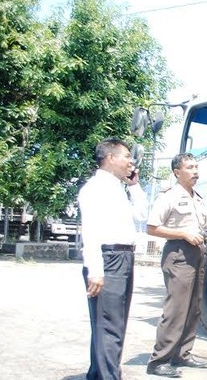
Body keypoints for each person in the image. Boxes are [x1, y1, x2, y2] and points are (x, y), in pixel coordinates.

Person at [145, 153, 207, 378]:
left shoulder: (197, 197)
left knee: (194, 307)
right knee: (176, 309)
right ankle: (159, 361)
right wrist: (182, 233)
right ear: (177, 172)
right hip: (178, 254)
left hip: (198, 254)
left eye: (196, 167)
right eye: (190, 167)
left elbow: (206, 231)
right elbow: (152, 227)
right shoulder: (169, 196)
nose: (196, 171)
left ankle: (182, 354)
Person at [78, 137, 148, 380]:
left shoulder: (118, 187)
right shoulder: (94, 189)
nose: (131, 161)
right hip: (108, 259)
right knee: (110, 327)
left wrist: (134, 186)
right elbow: (90, 231)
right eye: (126, 156)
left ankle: (97, 374)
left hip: (123, 257)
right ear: (110, 158)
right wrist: (96, 270)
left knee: (109, 325)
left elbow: (141, 214)